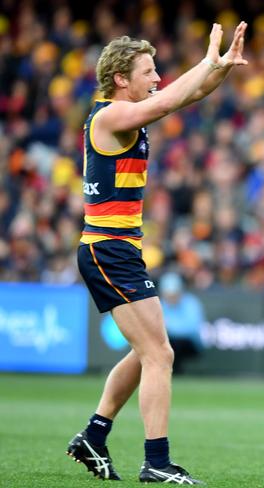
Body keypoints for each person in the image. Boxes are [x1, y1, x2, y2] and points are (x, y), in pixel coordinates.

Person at [67, 20, 248, 484]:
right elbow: (173, 98)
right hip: (109, 249)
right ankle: (156, 462)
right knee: (158, 355)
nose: (157, 78)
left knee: (150, 351)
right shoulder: (109, 116)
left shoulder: (127, 112)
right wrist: (206, 61)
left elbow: (185, 96)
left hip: (117, 249)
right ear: (121, 79)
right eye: (148, 71)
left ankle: (94, 433)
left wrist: (220, 68)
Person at [159, 272, 205, 374]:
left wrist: (169, 327)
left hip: (190, 344)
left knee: (174, 343)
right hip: (166, 343)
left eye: (174, 293)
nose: (171, 297)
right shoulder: (159, 304)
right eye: (168, 294)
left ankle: (176, 371)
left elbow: (192, 327)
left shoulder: (191, 302)